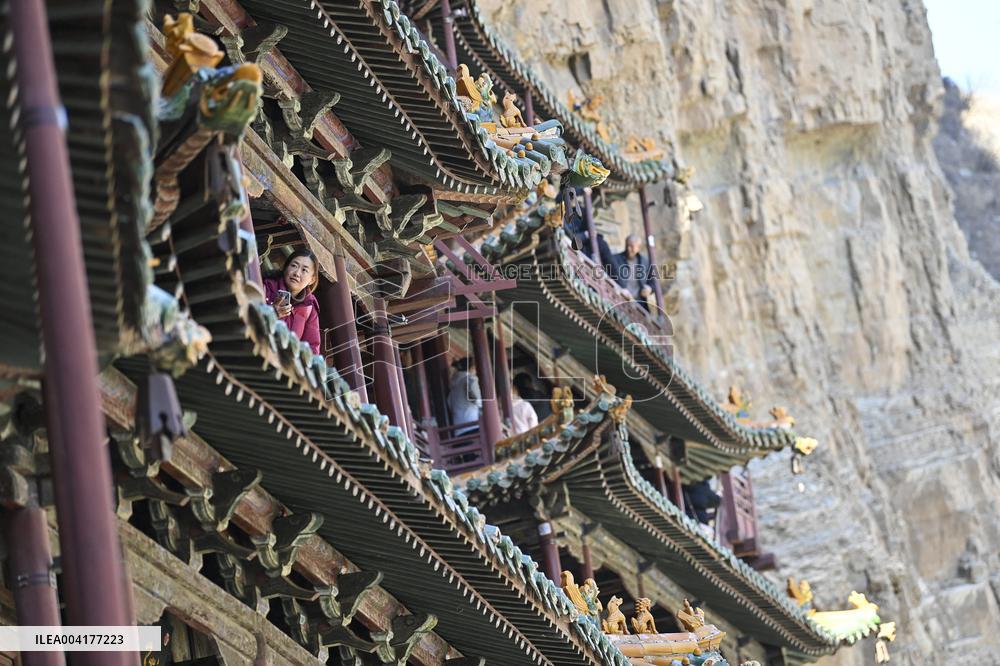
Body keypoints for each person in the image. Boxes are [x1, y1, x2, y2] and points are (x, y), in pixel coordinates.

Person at [263, 248, 321, 354]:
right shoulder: (266, 287)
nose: (297, 273)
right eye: (294, 266)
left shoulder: (309, 307)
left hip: (285, 365)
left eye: (304, 270)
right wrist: (272, 313)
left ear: (312, 279)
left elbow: (311, 349)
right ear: (285, 268)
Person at [613, 234, 656, 308]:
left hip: (639, 304)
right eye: (627, 246)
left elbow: (653, 282)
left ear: (638, 248)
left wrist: (649, 289)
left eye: (632, 246)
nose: (629, 249)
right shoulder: (615, 260)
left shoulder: (645, 262)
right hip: (620, 301)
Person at [447, 358, 481, 435]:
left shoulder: (453, 387)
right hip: (473, 427)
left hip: (458, 432)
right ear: (472, 368)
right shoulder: (470, 379)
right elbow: (478, 401)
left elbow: (449, 405)